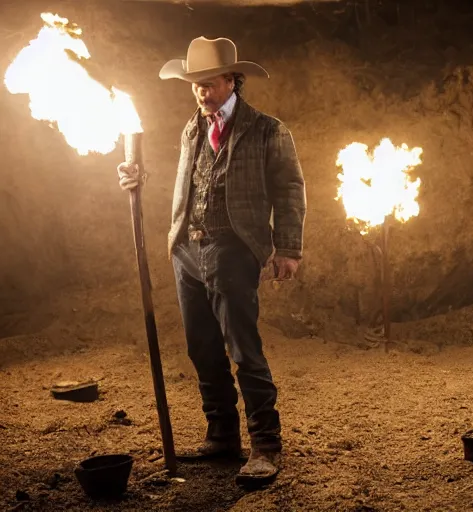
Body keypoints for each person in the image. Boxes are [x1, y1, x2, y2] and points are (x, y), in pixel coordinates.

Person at [117, 36, 306, 486]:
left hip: (234, 249)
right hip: (187, 248)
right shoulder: (191, 128)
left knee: (244, 349)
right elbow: (189, 183)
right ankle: (222, 435)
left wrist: (289, 248)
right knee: (202, 349)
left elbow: (290, 190)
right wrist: (136, 177)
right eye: (195, 85)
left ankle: (265, 444)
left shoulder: (267, 129)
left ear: (231, 80)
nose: (202, 91)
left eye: (209, 83)